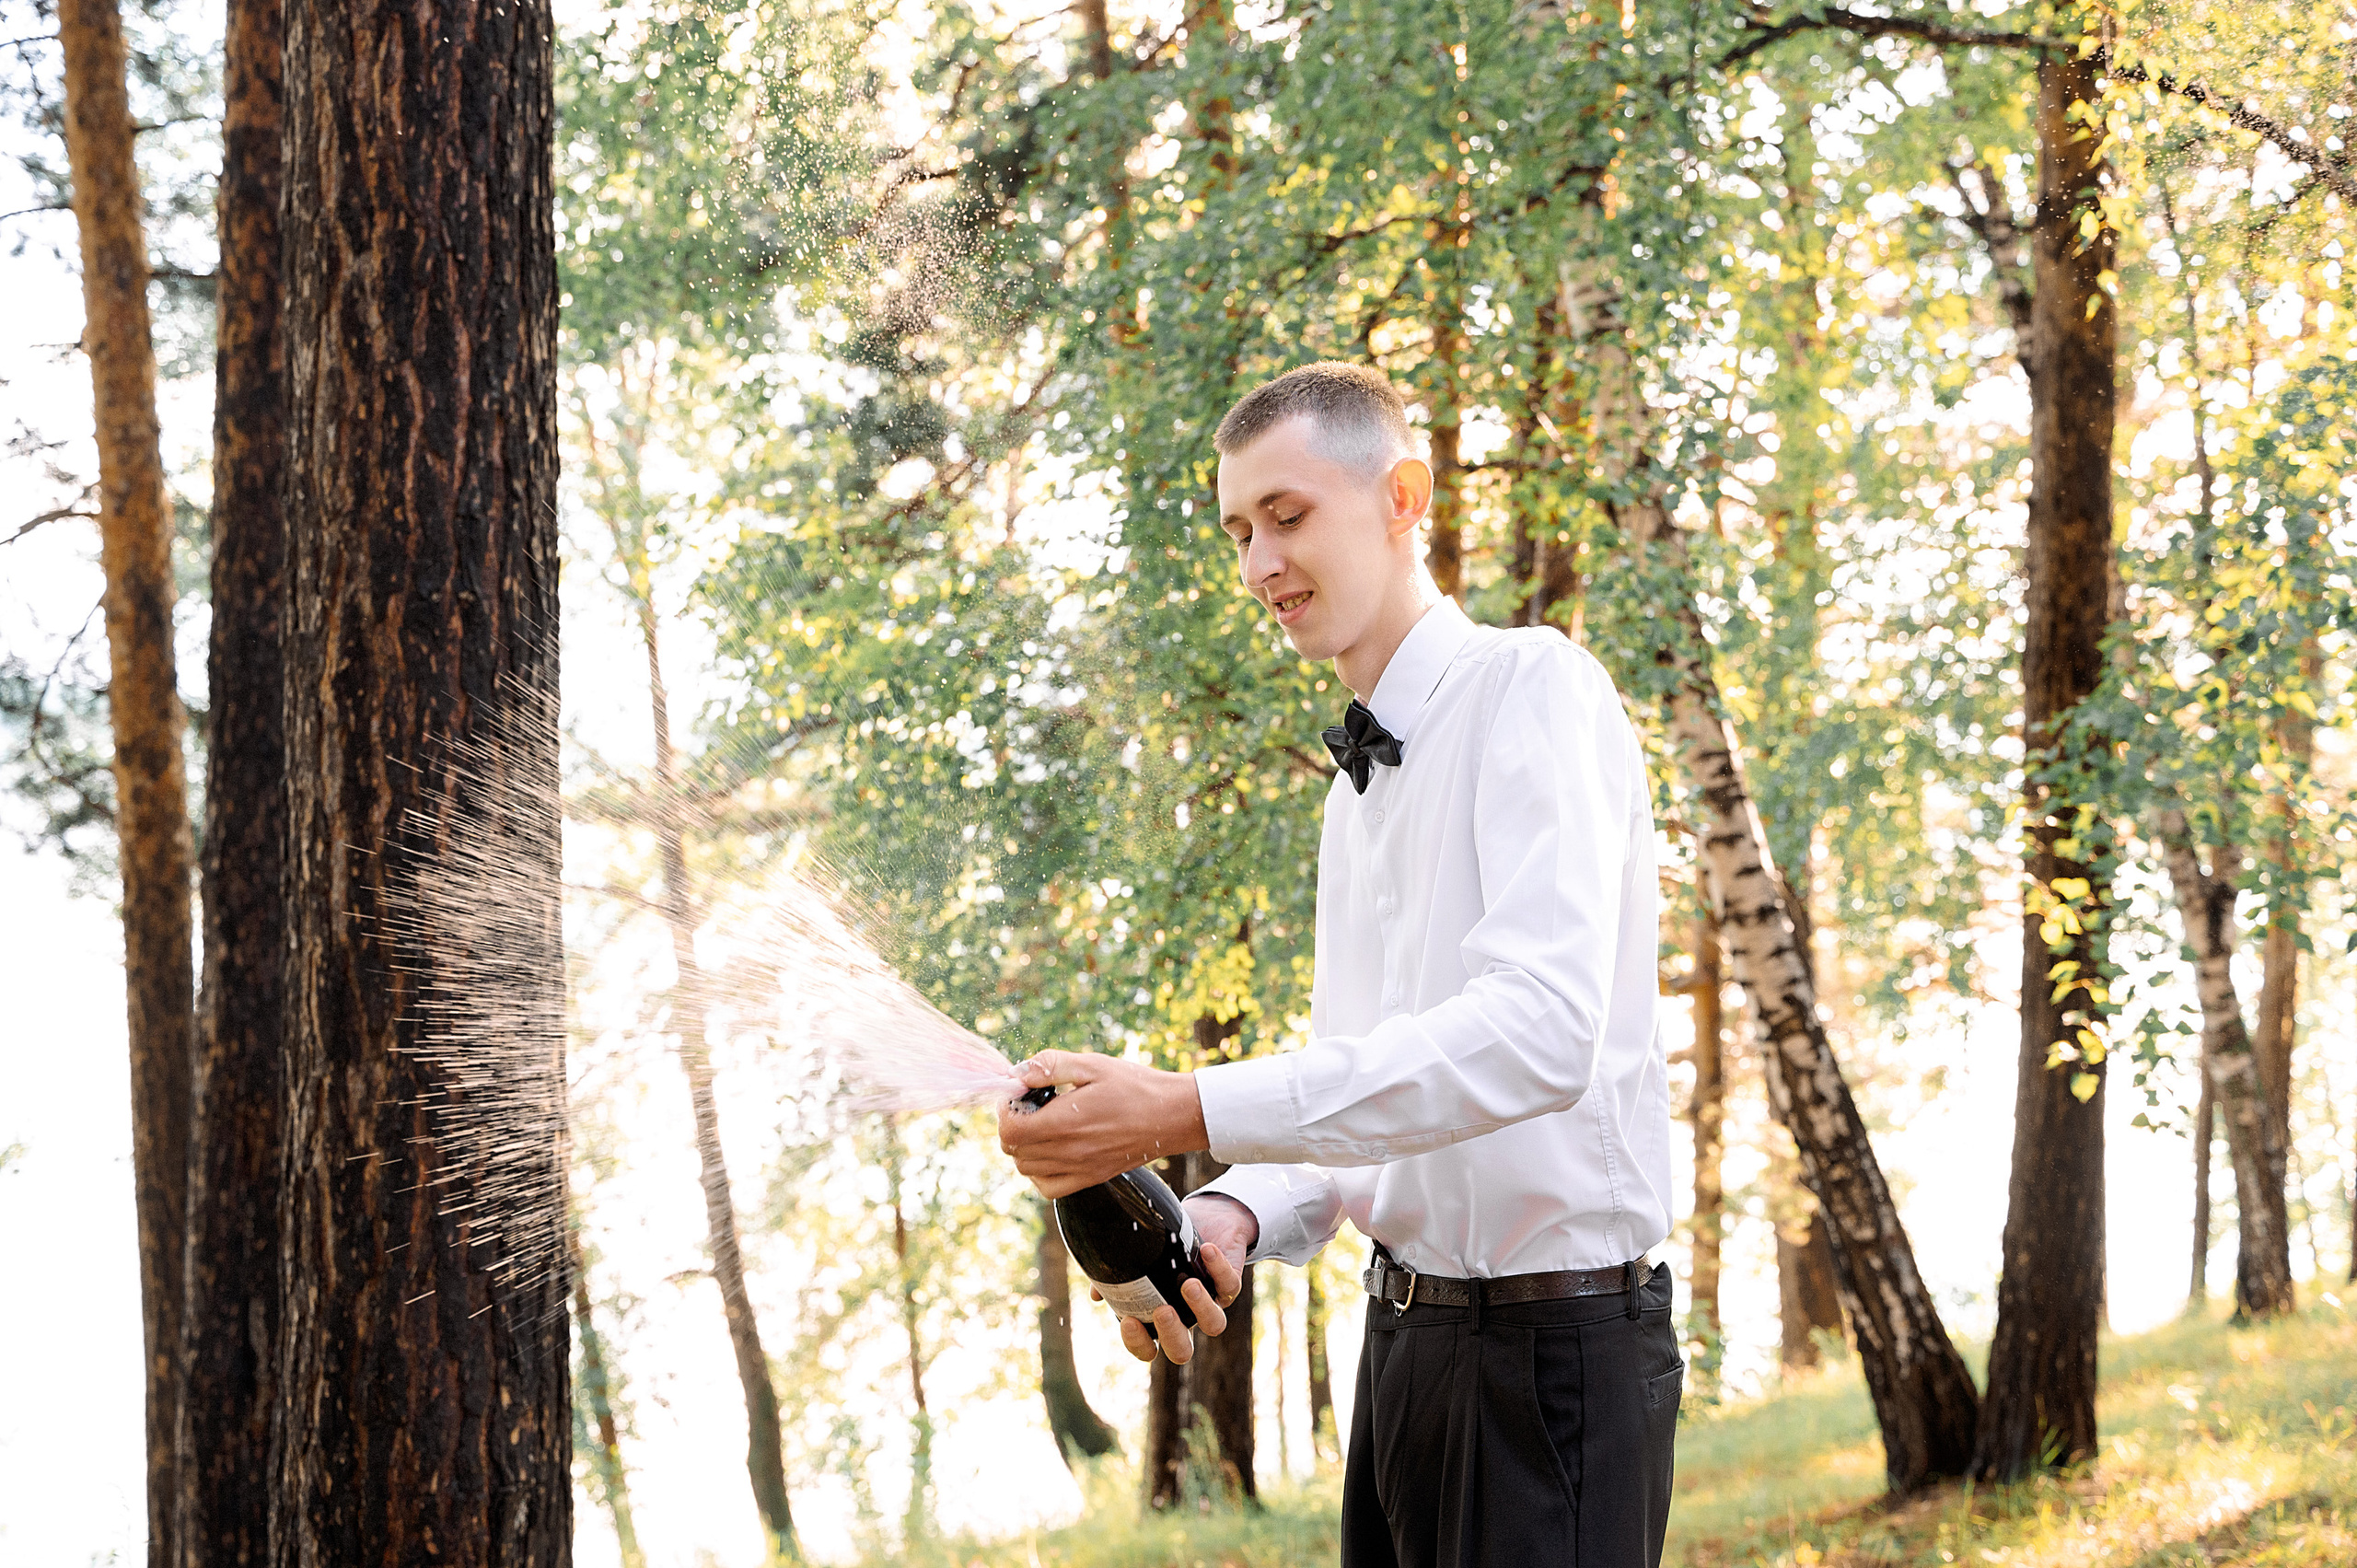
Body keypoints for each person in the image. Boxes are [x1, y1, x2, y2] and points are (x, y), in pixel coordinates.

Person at [997, 361, 1677, 1568]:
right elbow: (1366, 1106)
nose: (1260, 564)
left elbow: (1537, 1034)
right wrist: (1230, 1207)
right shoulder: (1353, 801)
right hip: (1405, 1354)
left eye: (1289, 516)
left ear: (1404, 497)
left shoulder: (1535, 688)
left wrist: (1179, 1108)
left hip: (1553, 1367)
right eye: (1239, 532)